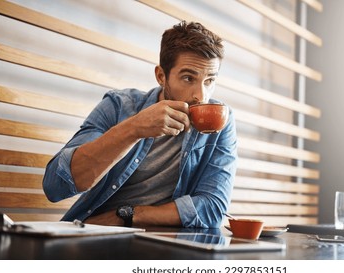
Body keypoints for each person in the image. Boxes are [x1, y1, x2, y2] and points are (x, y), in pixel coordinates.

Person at [42, 21, 237, 229]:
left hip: (167, 243)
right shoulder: (118, 106)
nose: (201, 96)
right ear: (161, 76)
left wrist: (125, 216)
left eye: (209, 81)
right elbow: (55, 186)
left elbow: (214, 207)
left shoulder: (221, 121)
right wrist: (134, 129)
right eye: (188, 78)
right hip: (98, 236)